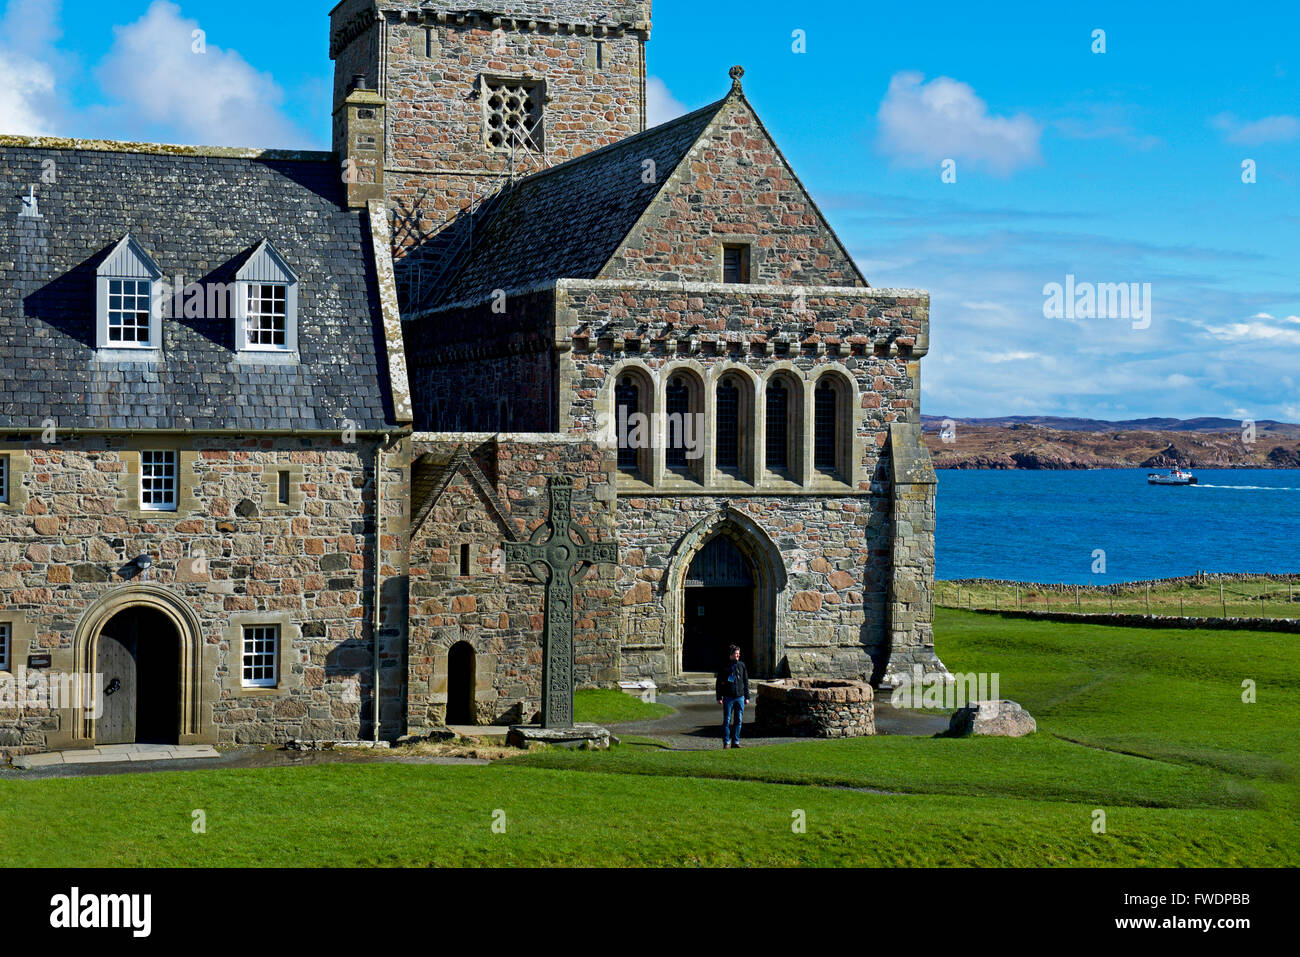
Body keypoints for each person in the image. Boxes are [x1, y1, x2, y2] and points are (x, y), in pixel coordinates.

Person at [715, 644, 750, 748]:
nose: (738, 655)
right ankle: (726, 742)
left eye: (739, 653)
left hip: (740, 696)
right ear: (731, 655)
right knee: (727, 720)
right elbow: (719, 682)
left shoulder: (742, 665)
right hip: (728, 697)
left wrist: (747, 697)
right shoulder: (724, 666)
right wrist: (719, 697)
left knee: (738, 720)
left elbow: (745, 681)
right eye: (736, 653)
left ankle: (736, 741)